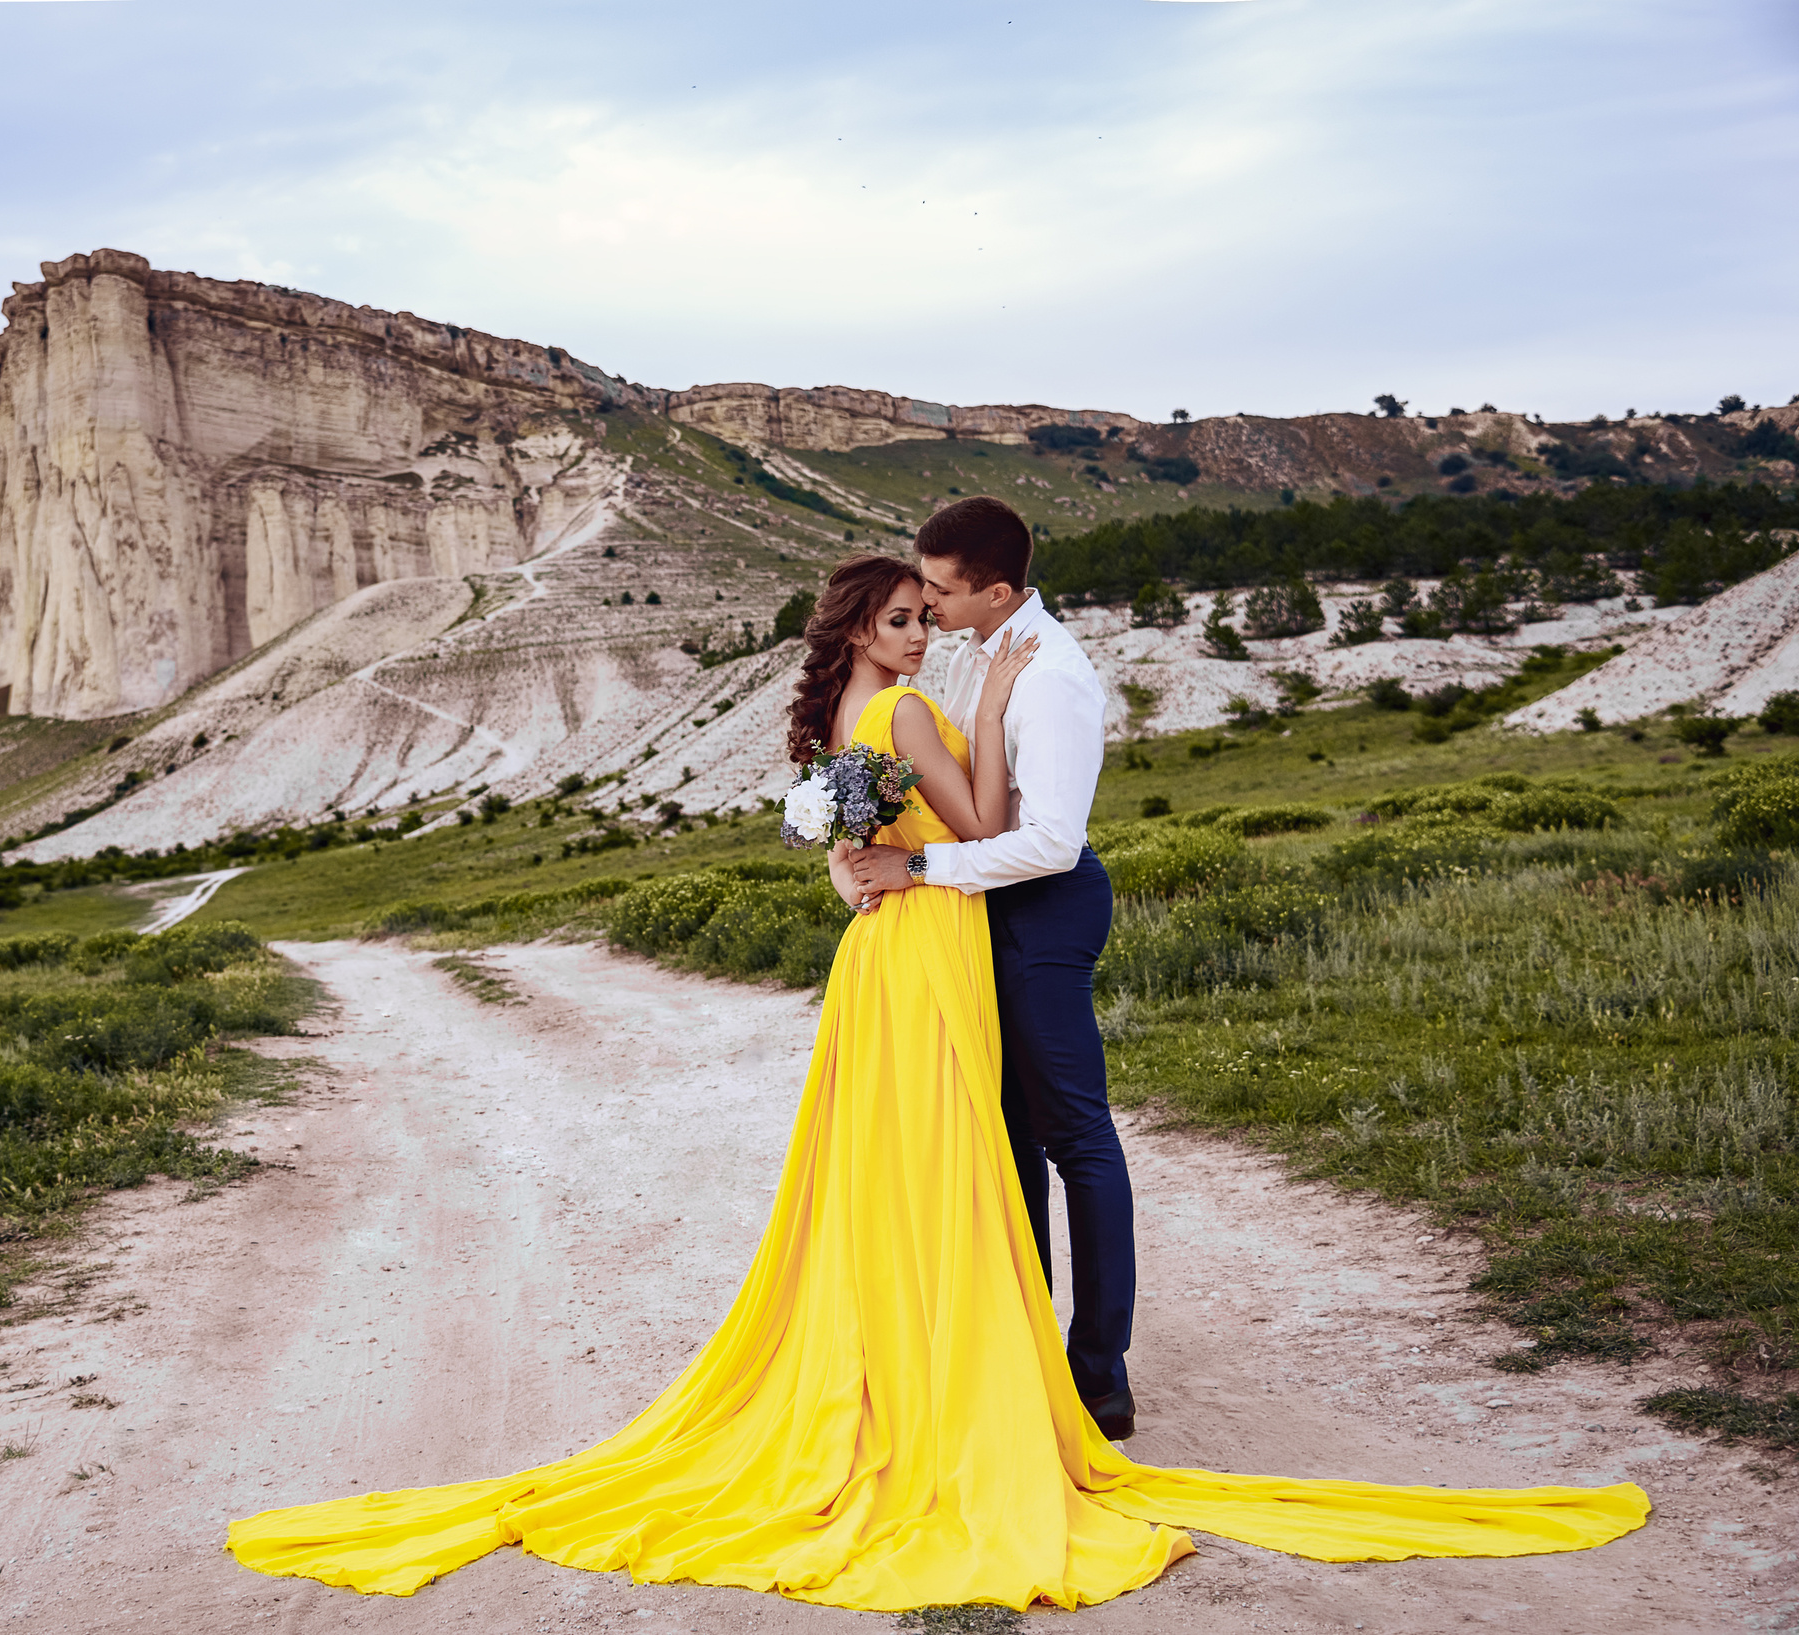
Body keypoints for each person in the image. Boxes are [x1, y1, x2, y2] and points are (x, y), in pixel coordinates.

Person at [225, 549, 1647, 1614]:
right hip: (932, 937)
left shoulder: (858, 708)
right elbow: (983, 821)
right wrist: (982, 760)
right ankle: (989, 1373)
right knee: (958, 1155)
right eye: (906, 615)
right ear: (862, 626)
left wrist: (877, 831)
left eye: (932, 609)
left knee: (920, 1165)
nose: (926, 630)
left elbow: (861, 823)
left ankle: (947, 1363)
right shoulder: (905, 709)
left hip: (894, 948)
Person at [841, 495, 1138, 1442]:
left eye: (937, 590)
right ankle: (1020, 1351)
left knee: (1075, 1136)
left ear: (997, 591)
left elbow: (1050, 840)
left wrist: (922, 865)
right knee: (1001, 1135)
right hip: (976, 912)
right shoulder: (972, 651)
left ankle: (1099, 1373)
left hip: (1040, 907)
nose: (925, 607)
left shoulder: (1050, 676)